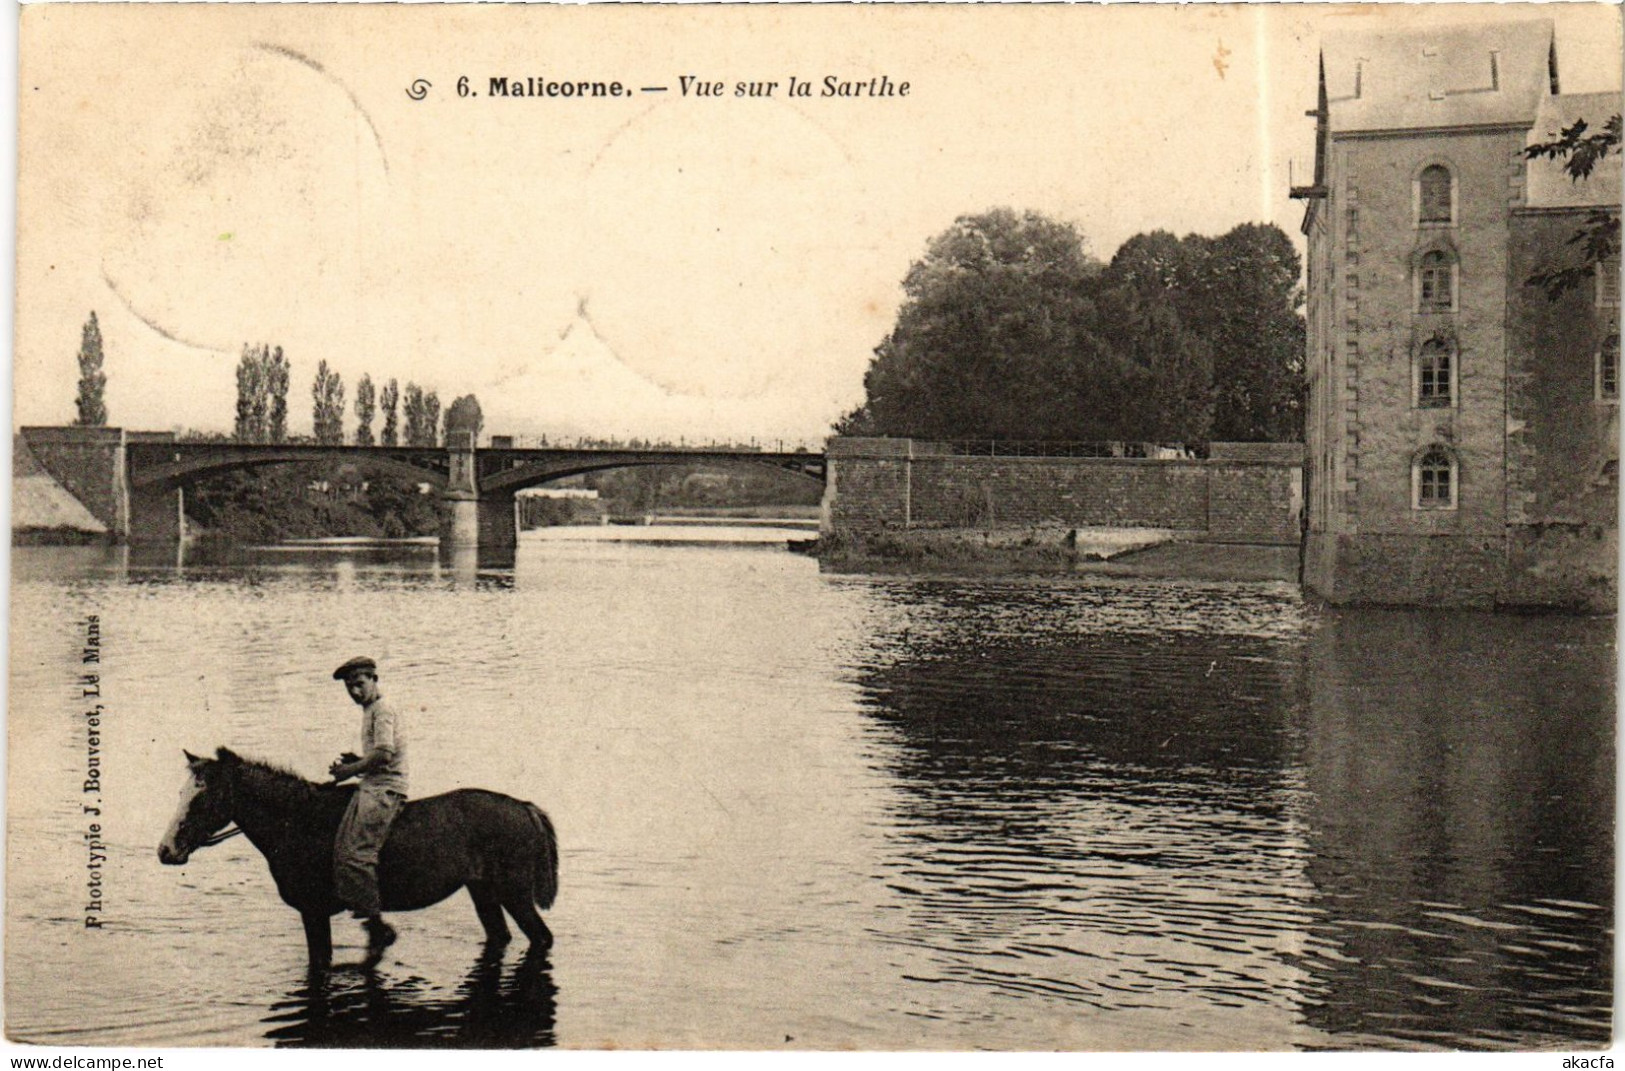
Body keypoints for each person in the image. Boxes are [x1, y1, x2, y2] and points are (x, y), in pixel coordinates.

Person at [328, 656, 408, 959]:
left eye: (359, 684)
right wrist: (357, 763)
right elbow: (376, 756)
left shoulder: (382, 710)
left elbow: (385, 754)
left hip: (386, 789)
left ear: (374, 680)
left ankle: (377, 927)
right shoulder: (371, 709)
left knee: (353, 854)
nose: (354, 692)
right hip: (372, 784)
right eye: (349, 687)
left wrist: (350, 771)